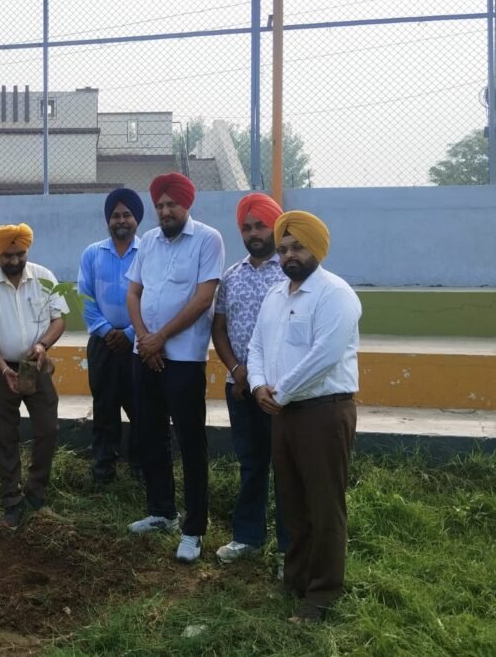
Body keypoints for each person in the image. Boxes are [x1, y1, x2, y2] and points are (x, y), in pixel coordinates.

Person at [247, 210, 362, 623]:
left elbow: (325, 356)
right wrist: (258, 385)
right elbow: (256, 346)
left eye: (297, 247)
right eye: (283, 249)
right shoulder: (276, 295)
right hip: (283, 412)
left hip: (323, 413)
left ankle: (323, 596)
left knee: (324, 506)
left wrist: (280, 391)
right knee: (292, 503)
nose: (288, 255)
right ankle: (295, 580)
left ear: (316, 248)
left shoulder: (336, 294)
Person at [126, 173, 224, 564]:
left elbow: (203, 298)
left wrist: (161, 336)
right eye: (160, 205)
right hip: (144, 354)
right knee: (150, 434)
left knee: (190, 440)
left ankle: (194, 528)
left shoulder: (207, 239)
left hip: (183, 359)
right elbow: (134, 292)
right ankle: (161, 511)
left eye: (172, 205)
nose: (165, 211)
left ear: (187, 205)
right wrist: (144, 337)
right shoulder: (148, 241)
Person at [211, 193, 289, 576]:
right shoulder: (232, 276)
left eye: (260, 225)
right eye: (247, 227)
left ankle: (289, 549)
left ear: (275, 225)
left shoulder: (290, 272)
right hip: (240, 387)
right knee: (251, 463)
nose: (254, 233)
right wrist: (237, 371)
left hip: (282, 392)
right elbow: (219, 328)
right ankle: (247, 537)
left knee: (288, 468)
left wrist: (273, 382)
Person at [0, 223, 68, 528]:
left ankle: (36, 492)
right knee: (5, 435)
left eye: (19, 254)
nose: (14, 261)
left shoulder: (44, 277)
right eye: (7, 255)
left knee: (48, 429)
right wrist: (2, 368)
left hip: (35, 366)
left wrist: (42, 346)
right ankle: (11, 500)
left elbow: (58, 319)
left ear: (27, 251)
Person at [77, 188, 143, 484]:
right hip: (102, 344)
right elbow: (85, 297)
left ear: (136, 219)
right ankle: (103, 469)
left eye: (127, 214)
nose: (121, 220)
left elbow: (153, 297)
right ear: (108, 220)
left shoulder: (149, 253)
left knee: (141, 407)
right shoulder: (93, 254)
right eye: (115, 215)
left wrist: (130, 333)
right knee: (104, 407)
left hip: (138, 343)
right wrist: (107, 331)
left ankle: (140, 468)